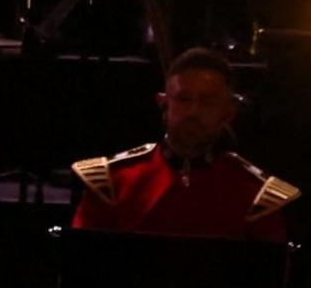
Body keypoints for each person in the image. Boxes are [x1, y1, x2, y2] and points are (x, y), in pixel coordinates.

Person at [70, 50, 297, 241]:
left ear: (228, 113)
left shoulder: (255, 195)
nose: (193, 112)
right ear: (164, 104)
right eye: (183, 99)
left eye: (207, 102)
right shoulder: (113, 182)